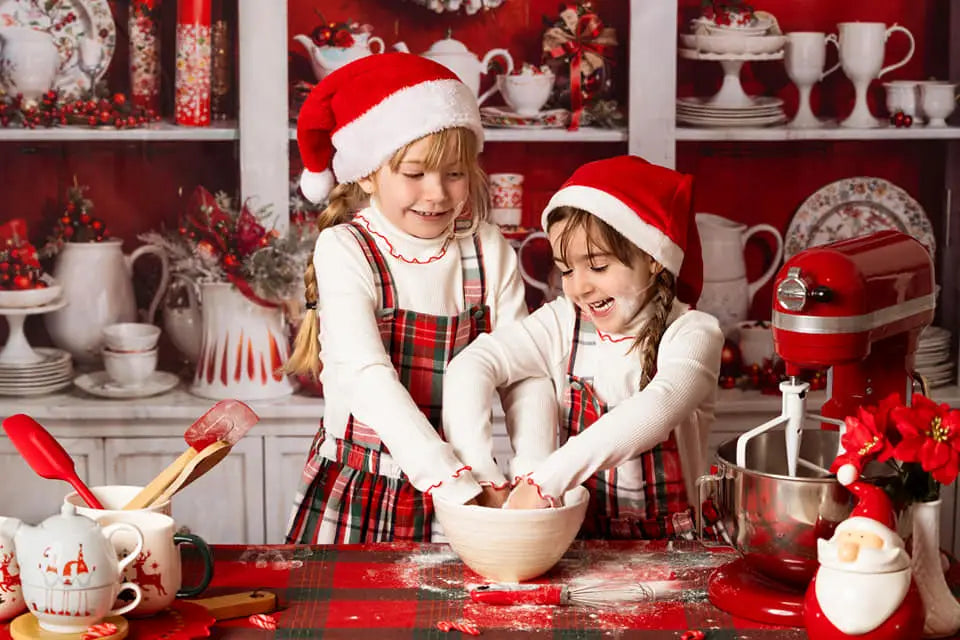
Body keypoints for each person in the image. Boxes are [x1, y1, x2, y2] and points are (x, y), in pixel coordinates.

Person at [283, 52, 555, 544]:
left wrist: (532, 475)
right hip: (367, 487)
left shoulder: (487, 249)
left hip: (470, 486)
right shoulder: (347, 249)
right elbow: (368, 376)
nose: (437, 194)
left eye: (454, 173)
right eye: (415, 173)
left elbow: (525, 371)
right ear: (367, 174)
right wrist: (452, 481)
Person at [442, 155, 723, 539]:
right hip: (581, 543)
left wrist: (544, 482)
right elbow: (472, 364)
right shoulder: (563, 323)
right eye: (567, 269)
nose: (579, 288)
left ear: (654, 259)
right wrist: (482, 473)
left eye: (597, 266)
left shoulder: (693, 333)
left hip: (675, 549)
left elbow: (656, 409)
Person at [803, 467, 924, 639]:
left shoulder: (899, 576)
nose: (851, 545)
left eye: (862, 537)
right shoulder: (829, 568)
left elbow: (911, 617)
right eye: (849, 535)